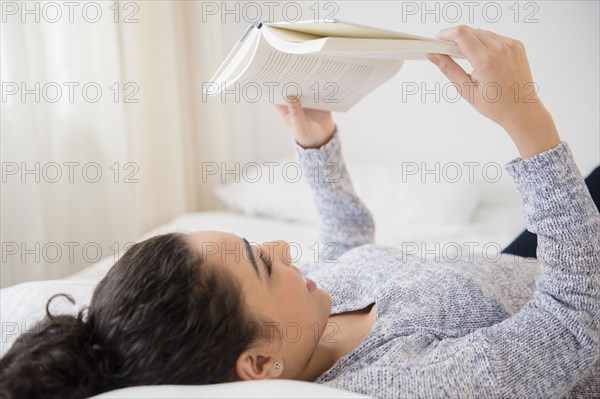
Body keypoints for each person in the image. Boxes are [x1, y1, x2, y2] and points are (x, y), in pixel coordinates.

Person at [0, 26, 598, 399]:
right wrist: (526, 119)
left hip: (530, 265)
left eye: (255, 245)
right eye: (263, 266)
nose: (282, 248)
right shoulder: (399, 382)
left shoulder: (304, 319)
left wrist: (317, 145)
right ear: (260, 362)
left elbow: (349, 249)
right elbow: (574, 322)